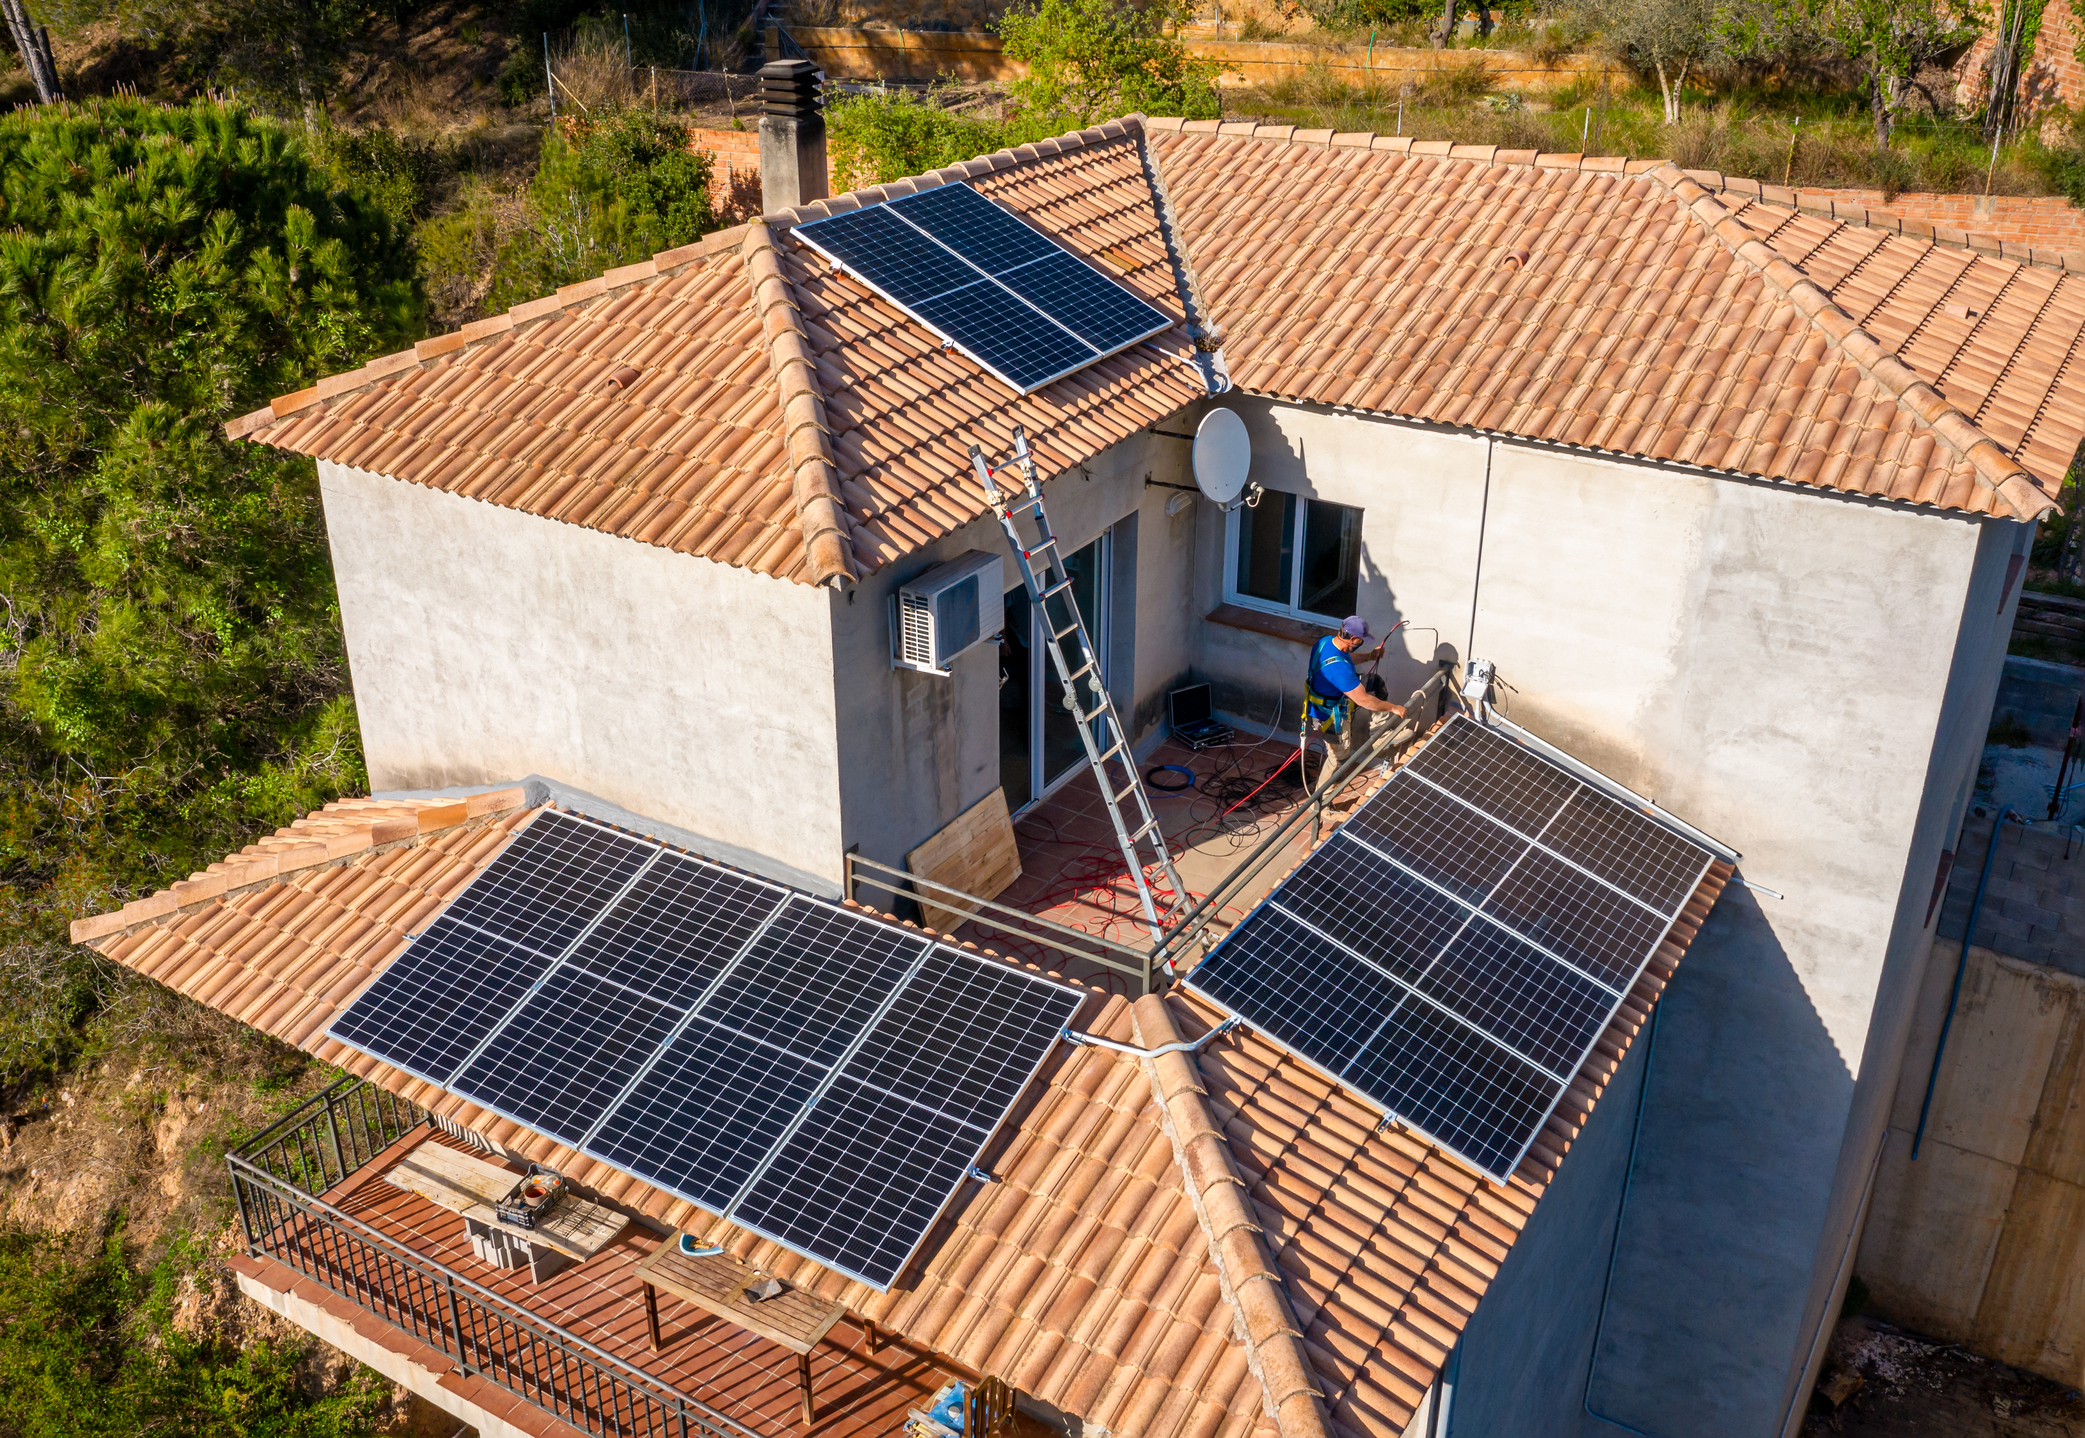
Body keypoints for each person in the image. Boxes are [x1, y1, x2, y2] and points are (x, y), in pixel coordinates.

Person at [1305, 616, 1407, 794]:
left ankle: (1380, 736)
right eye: (1361, 640)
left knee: (1375, 683)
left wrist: (1370, 656)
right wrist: (1393, 707)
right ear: (1353, 639)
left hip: (1334, 699)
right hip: (1328, 716)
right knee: (1339, 758)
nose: (1362, 642)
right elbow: (1364, 700)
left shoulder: (1327, 642)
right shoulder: (1339, 670)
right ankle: (1321, 803)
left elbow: (1346, 657)